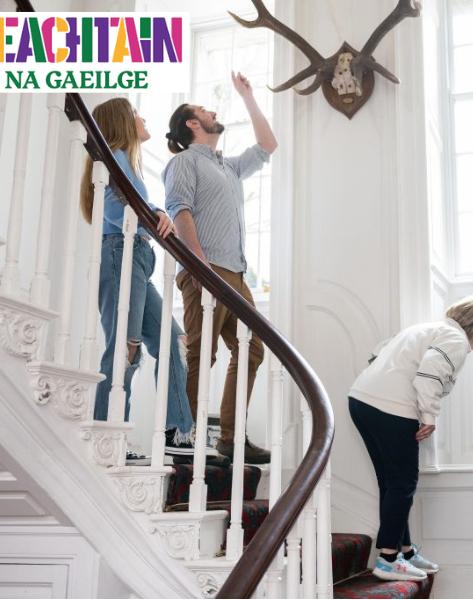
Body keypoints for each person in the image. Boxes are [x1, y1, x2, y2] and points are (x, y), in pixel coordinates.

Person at [162, 72, 277, 465]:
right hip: (205, 270)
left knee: (252, 350)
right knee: (201, 353)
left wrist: (248, 96)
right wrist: (197, 265)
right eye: (204, 110)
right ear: (193, 124)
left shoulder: (227, 167)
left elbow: (268, 144)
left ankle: (231, 438)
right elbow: (180, 211)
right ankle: (185, 438)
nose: (213, 112)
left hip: (236, 274)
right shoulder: (183, 163)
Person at [349, 296, 473, 582]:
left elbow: (376, 355)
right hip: (391, 407)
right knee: (403, 482)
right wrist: (429, 417)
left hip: (361, 401)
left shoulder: (424, 328)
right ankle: (388, 558)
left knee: (392, 481)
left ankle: (404, 551)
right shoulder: (455, 339)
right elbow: (428, 375)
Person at [78, 98, 197, 458]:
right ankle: (107, 441)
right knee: (125, 348)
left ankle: (177, 431)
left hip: (138, 258)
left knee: (173, 339)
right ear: (121, 121)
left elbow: (133, 208)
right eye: (135, 114)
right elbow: (117, 210)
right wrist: (153, 216)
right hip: (121, 253)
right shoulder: (111, 158)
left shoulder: (126, 164)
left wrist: (156, 211)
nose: (143, 118)